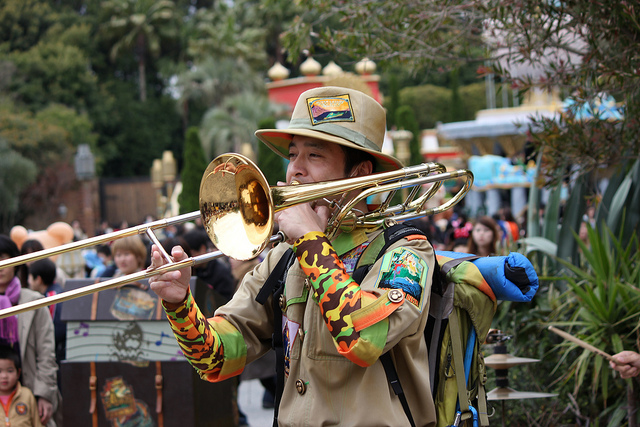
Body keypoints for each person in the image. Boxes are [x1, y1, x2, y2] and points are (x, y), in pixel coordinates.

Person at [149, 86, 437, 426]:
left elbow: (363, 340)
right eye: (292, 155)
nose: (294, 171)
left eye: (314, 156)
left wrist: (310, 240)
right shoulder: (285, 256)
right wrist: (179, 303)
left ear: (359, 175)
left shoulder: (407, 251)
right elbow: (217, 359)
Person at [0, 236, 59, 427]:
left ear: (16, 262)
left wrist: (44, 394)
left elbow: (46, 352)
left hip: (31, 391)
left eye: (4, 259)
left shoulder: (34, 301)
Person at [27, 259, 66, 365]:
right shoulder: (56, 290)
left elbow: (52, 330)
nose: (28, 281)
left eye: (30, 277)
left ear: (38, 279)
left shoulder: (51, 298)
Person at [0, 345, 43, 426]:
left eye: (10, 371)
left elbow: (37, 424)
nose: (4, 376)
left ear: (18, 373)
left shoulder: (26, 395)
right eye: (0, 371)